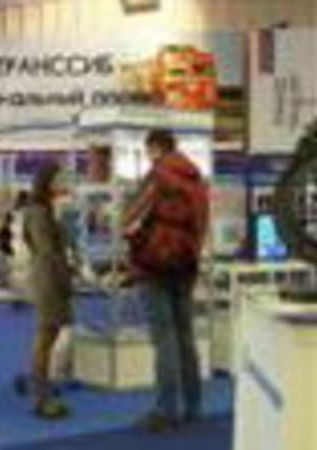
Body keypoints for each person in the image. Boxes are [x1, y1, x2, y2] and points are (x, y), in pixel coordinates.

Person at [121, 129, 210, 433]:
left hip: (154, 266)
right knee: (185, 337)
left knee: (164, 340)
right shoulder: (196, 179)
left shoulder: (157, 176)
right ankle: (193, 406)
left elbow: (129, 218)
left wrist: (133, 242)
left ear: (155, 147)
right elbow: (201, 226)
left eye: (149, 150)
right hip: (186, 266)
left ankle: (165, 411)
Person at [23, 163, 76, 419]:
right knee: (46, 337)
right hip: (49, 279)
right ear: (48, 182)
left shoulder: (44, 209)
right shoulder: (39, 212)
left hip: (52, 277)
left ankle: (41, 391)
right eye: (60, 178)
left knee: (48, 336)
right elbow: (47, 252)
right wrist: (65, 279)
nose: (64, 183)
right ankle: (41, 397)